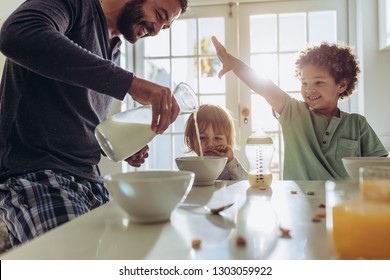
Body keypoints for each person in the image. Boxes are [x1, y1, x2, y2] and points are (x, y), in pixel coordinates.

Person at [0, 0, 188, 247]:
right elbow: (17, 34)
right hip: (38, 174)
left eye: (164, 28)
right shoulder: (75, 6)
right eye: (159, 15)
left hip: (91, 181)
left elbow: (79, 122)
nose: (155, 30)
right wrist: (129, 83)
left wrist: (120, 146)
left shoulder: (114, 49)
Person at [212, 36, 389, 180]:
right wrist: (234, 64)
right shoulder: (294, 114)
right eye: (304, 83)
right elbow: (265, 86)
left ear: (341, 85)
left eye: (318, 82)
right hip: (298, 201)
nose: (309, 89)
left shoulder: (357, 124)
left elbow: (382, 166)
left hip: (344, 204)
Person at [184, 104, 247, 180]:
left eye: (217, 138)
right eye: (202, 137)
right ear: (191, 141)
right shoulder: (190, 167)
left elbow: (244, 182)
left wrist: (231, 160)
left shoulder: (229, 168)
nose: (210, 144)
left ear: (228, 141)